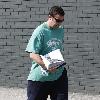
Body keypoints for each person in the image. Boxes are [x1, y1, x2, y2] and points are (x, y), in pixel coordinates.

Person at [25, 6, 68, 100]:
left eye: (62, 20)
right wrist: (47, 66)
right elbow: (32, 54)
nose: (60, 23)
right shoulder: (40, 31)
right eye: (57, 20)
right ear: (50, 17)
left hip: (58, 75)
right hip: (41, 76)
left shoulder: (60, 30)